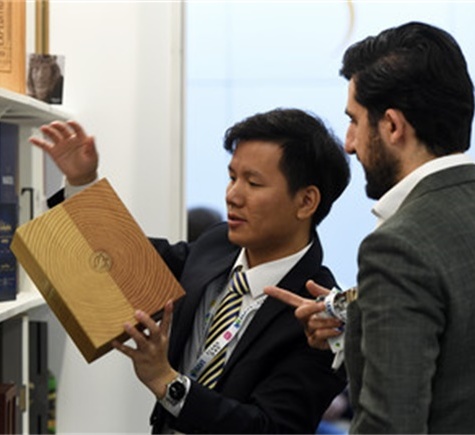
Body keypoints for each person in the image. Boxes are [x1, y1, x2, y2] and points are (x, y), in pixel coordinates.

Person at [30, 108, 350, 434]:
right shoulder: (217, 244)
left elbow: (270, 428)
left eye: (253, 183)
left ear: (306, 202)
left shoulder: (319, 318)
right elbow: (130, 263)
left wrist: (166, 381)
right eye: (232, 178)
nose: (232, 195)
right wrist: (82, 183)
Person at [265, 21, 475, 434]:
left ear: (392, 126)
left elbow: (390, 424)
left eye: (354, 121)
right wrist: (356, 324)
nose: (348, 143)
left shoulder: (399, 247)